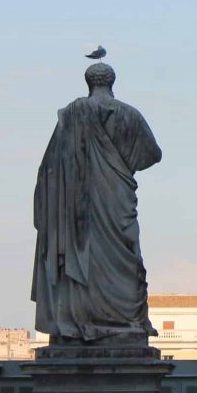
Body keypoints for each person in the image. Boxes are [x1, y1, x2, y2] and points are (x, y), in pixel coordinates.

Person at [32, 63, 162, 343]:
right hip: (117, 196)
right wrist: (124, 163)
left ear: (88, 83)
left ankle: (83, 318)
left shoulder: (72, 115)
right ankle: (124, 319)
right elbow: (153, 153)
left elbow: (48, 170)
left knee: (83, 257)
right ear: (112, 82)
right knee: (128, 255)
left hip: (78, 205)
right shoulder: (129, 114)